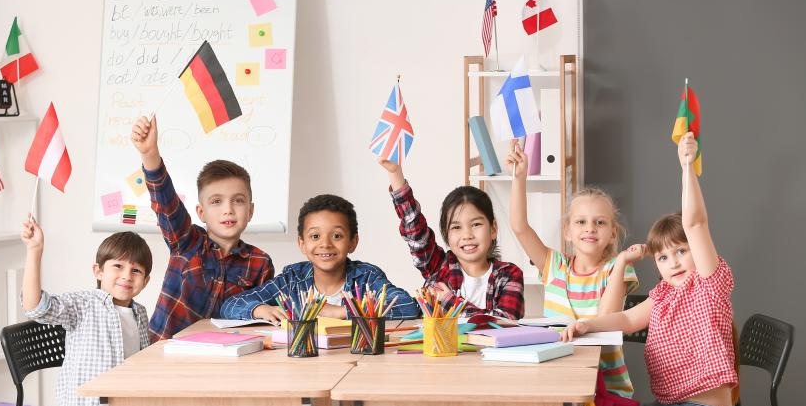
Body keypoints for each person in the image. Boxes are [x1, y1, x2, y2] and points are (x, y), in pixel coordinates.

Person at [562, 132, 738, 406]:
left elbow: (695, 224)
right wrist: (587, 325)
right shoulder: (664, 295)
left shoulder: (709, 285)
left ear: (697, 250)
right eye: (663, 257)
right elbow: (629, 319)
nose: (674, 263)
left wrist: (686, 165)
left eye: (681, 251)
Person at [508, 142, 639, 399]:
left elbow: (607, 319)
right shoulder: (554, 266)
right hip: (557, 379)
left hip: (606, 390)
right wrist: (519, 177)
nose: (590, 228)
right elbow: (519, 227)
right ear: (568, 230)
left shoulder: (617, 268)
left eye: (599, 222)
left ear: (613, 233)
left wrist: (623, 260)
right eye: (581, 222)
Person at [131, 115, 274, 341]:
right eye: (216, 202)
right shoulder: (186, 241)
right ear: (201, 212)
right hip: (165, 356)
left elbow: (257, 323)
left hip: (222, 360)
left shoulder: (260, 263)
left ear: (250, 211)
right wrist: (150, 154)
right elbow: (166, 201)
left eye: (238, 200)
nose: (228, 210)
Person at [21, 215, 152, 406]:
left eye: (136, 270)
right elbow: (36, 307)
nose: (127, 276)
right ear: (98, 271)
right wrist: (34, 251)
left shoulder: (140, 313)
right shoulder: (83, 305)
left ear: (145, 281)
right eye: (118, 266)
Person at [221, 194, 419, 321]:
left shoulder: (366, 277)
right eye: (315, 236)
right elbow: (230, 305)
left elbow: (407, 305)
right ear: (302, 244)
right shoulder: (292, 280)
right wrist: (259, 310)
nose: (325, 244)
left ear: (353, 242)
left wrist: (341, 312)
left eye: (337, 236)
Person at [381, 159, 525, 319]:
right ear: (446, 235)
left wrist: (451, 301)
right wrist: (395, 173)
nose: (467, 235)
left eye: (476, 224)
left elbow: (505, 322)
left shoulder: (509, 274)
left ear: (493, 229)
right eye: (456, 227)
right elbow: (413, 224)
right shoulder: (438, 267)